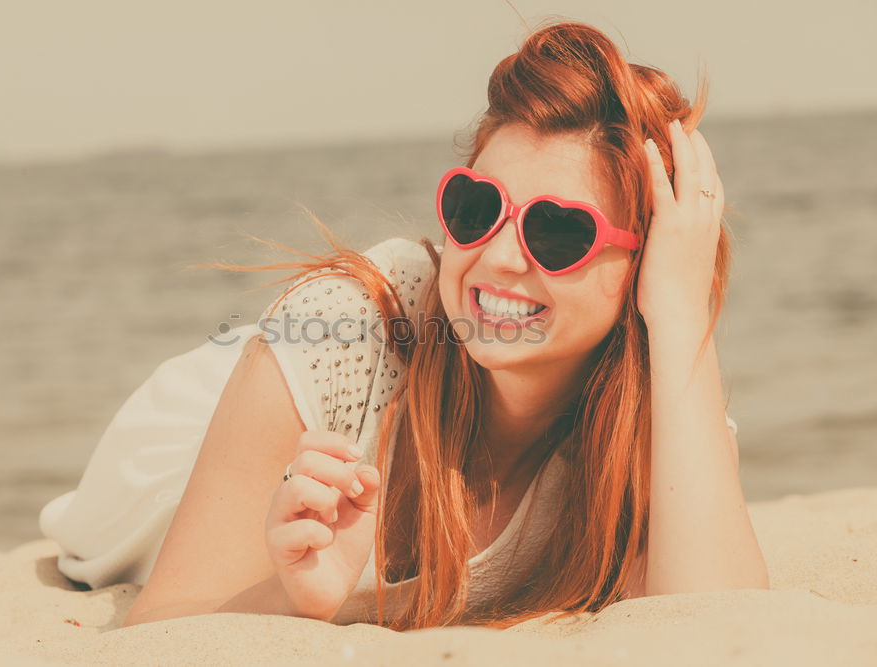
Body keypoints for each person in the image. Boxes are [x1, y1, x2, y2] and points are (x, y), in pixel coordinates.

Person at [39, 18, 769, 632]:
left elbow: (720, 620)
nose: (500, 259)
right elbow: (164, 625)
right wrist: (294, 599)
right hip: (190, 448)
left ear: (648, 265)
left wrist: (679, 315)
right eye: (477, 210)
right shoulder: (343, 333)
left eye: (558, 232)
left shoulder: (663, 389)